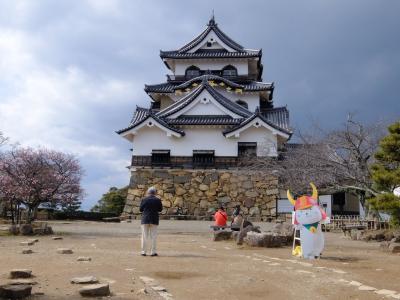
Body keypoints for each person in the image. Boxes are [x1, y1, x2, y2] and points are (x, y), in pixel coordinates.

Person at [139, 186, 163, 256]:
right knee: (153, 236)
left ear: (148, 192)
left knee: (144, 236)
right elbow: (160, 209)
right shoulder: (158, 200)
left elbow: (140, 209)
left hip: (145, 219)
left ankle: (143, 252)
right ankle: (153, 252)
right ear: (155, 193)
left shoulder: (144, 199)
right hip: (154, 219)